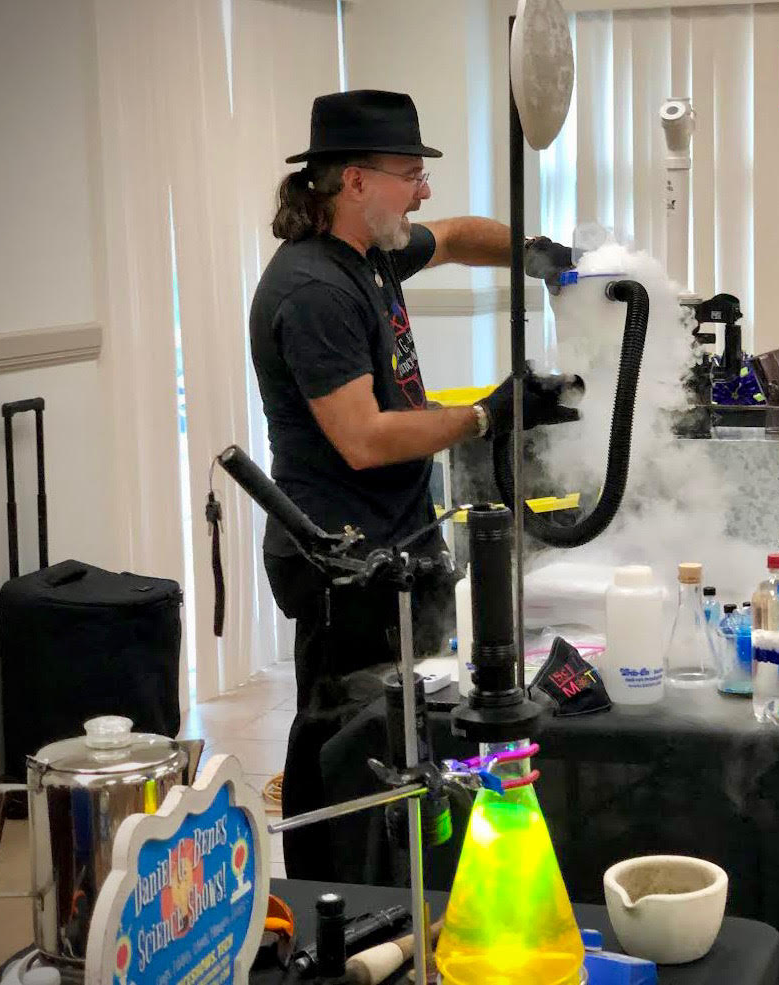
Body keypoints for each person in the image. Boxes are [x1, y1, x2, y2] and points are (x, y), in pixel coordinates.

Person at [248, 89, 577, 876]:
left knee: (418, 724)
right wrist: (486, 417)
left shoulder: (373, 252)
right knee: (355, 739)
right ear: (353, 182)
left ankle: (421, 877)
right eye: (409, 174)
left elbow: (461, 235)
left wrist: (544, 257)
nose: (423, 189)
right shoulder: (314, 291)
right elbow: (362, 438)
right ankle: (349, 894)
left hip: (400, 535)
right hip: (343, 559)